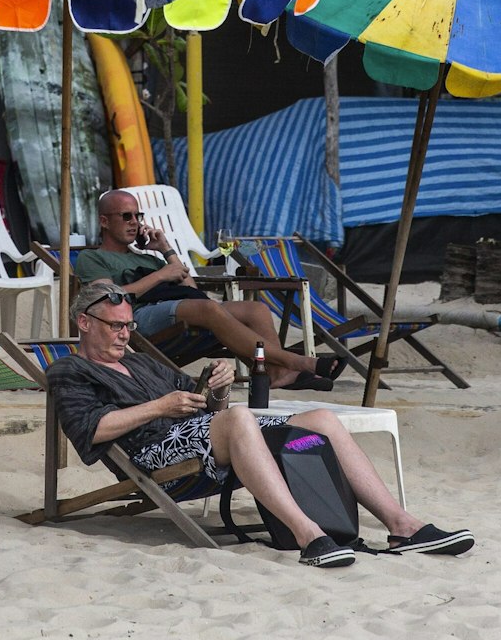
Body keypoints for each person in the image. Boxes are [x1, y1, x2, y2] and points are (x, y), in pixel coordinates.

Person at [50, 280, 473, 567]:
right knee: (238, 420)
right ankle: (309, 535)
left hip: (201, 442)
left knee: (321, 419)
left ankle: (402, 526)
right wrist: (160, 407)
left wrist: (217, 386)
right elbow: (92, 430)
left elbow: (206, 410)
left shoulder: (142, 363)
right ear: (85, 322)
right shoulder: (70, 372)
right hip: (152, 458)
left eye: (129, 325)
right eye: (116, 326)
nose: (125, 334)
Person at [76, 190, 342, 389]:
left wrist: (166, 250)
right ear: (104, 221)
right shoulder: (93, 258)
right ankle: (293, 362)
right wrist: (160, 275)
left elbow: (192, 291)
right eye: (126, 216)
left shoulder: (148, 258)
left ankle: (275, 373)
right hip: (136, 319)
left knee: (256, 309)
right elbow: (104, 301)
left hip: (180, 310)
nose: (134, 222)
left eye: (138, 216)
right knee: (209, 308)